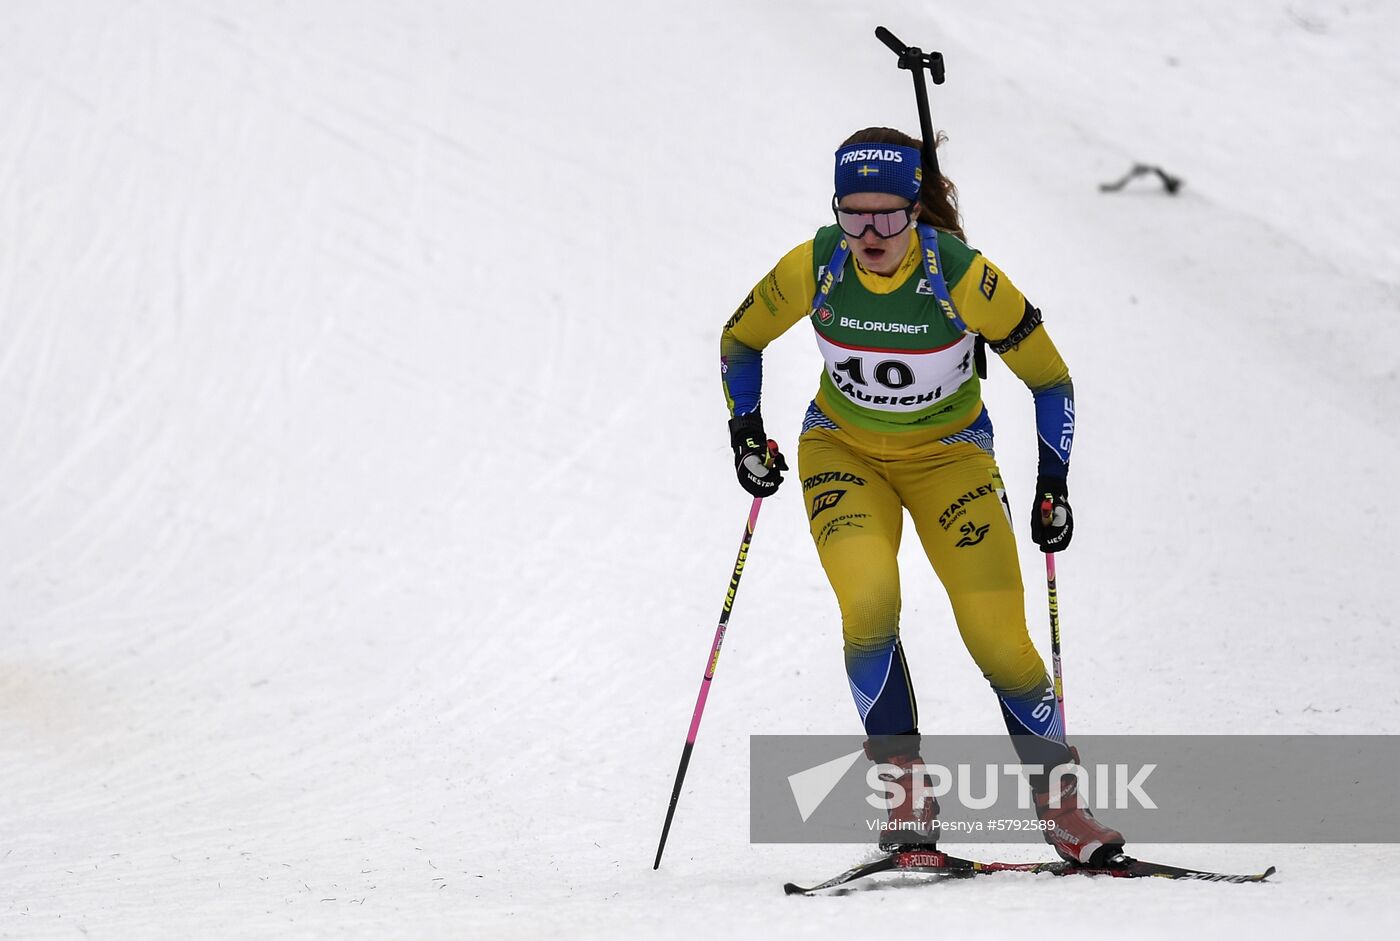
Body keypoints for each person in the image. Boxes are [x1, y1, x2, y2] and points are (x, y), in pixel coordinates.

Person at [719, 126, 1125, 866]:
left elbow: (1050, 378)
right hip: (842, 452)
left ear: (916, 209)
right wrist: (747, 434)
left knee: (999, 637)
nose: (870, 233)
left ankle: (1063, 809)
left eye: (889, 216)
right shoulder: (816, 264)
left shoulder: (961, 274)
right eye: (853, 214)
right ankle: (905, 799)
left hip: (951, 461)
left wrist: (1054, 482)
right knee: (868, 601)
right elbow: (740, 339)